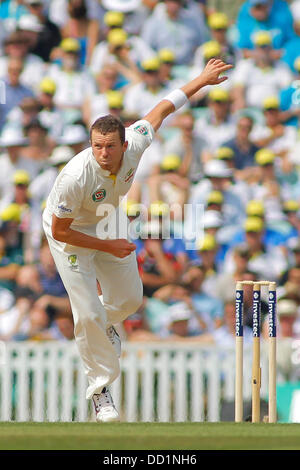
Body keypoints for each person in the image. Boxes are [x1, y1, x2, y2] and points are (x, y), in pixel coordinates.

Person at [42, 58, 232, 423]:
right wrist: (110, 246)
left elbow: (163, 107)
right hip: (66, 234)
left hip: (107, 222)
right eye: (97, 146)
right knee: (86, 312)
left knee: (128, 301)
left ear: (123, 142)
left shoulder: (136, 143)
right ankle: (100, 392)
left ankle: (104, 322)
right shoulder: (74, 177)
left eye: (109, 146)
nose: (103, 153)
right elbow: (62, 231)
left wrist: (202, 80)